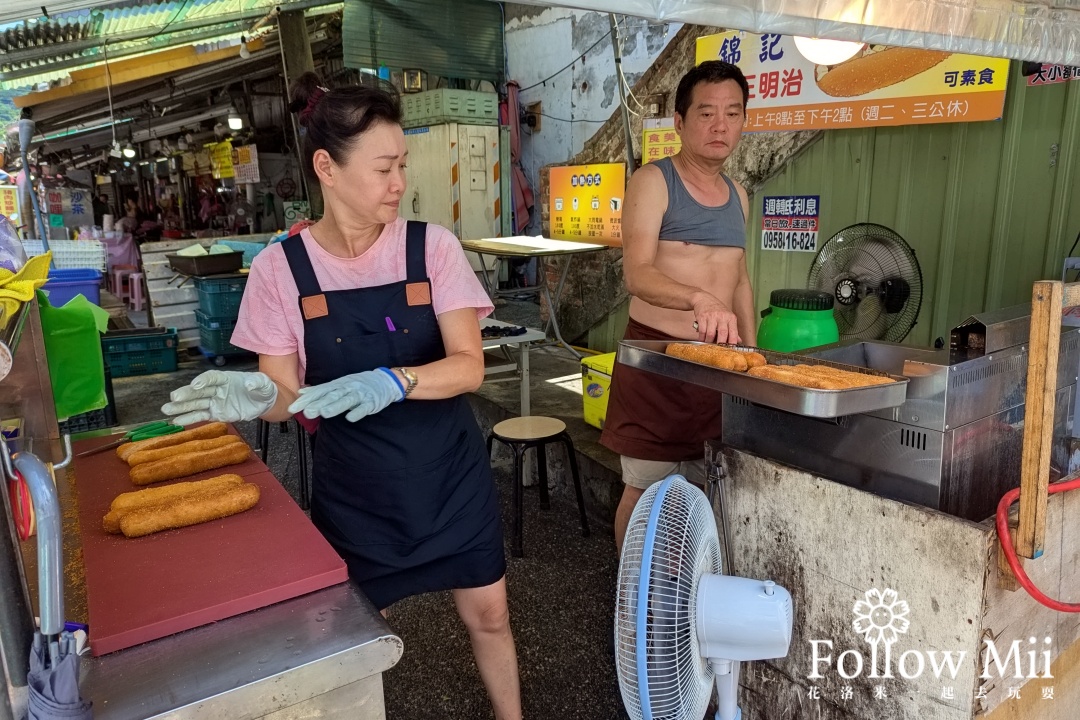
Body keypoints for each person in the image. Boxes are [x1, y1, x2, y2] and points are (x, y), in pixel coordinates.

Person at [160, 73, 522, 719]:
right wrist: (253, 397)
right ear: (326, 167)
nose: (398, 183)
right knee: (354, 638)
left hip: (448, 474)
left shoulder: (429, 247)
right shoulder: (282, 268)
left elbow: (468, 367)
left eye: (401, 165)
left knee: (490, 614)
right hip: (357, 490)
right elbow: (284, 398)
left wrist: (398, 379)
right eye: (384, 167)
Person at [601, 61, 755, 554]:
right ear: (679, 122)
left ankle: (686, 585)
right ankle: (631, 590)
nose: (720, 125)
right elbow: (637, 273)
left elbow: (741, 279)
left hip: (718, 367)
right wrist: (697, 298)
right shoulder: (654, 181)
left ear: (745, 122)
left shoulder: (739, 195)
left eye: (732, 113)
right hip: (659, 364)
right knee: (645, 488)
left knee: (707, 484)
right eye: (706, 113)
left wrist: (754, 355)